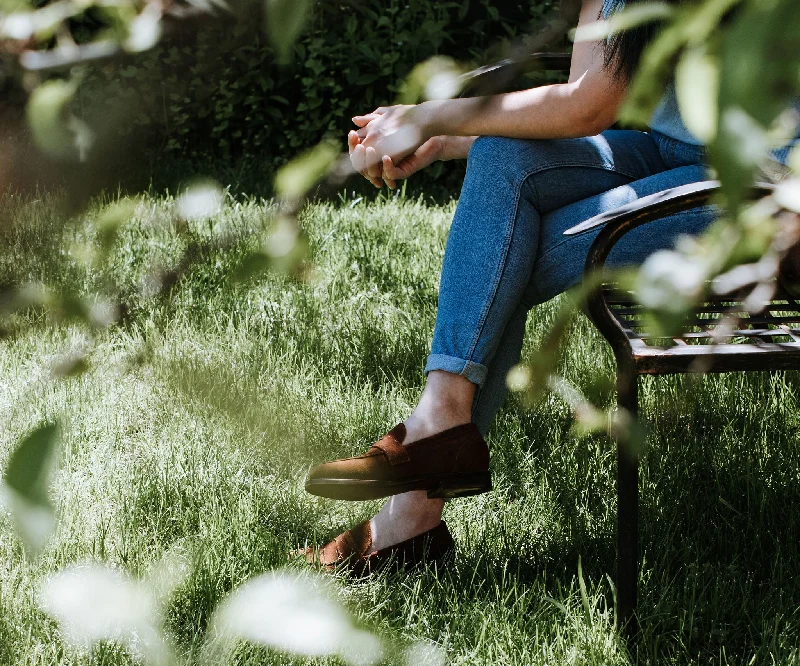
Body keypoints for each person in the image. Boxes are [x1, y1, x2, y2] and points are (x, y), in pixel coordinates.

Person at [300, 0, 798, 570]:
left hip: (764, 191)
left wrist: (429, 117)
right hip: (673, 154)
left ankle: (413, 509)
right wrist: (449, 139)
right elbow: (590, 99)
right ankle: (437, 435)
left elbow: (585, 109)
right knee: (500, 158)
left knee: (504, 254)